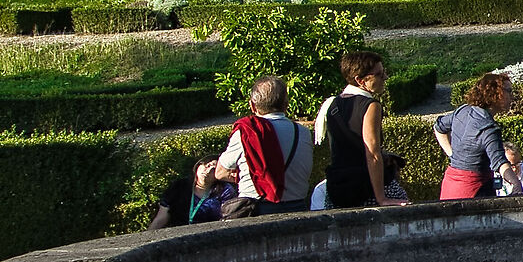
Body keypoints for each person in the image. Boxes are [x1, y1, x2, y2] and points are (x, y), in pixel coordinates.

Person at [435, 72, 523, 199]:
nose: (512, 97)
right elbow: (500, 163)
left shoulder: (462, 111)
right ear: (495, 94)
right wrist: (516, 184)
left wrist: (452, 155)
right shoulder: (488, 128)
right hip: (474, 191)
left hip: (450, 186)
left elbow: (438, 127)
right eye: (509, 91)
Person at [217, 77, 312, 216]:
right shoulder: (303, 133)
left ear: (252, 105)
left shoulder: (246, 133)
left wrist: (254, 175)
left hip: (256, 208)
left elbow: (220, 172)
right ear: (286, 104)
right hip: (297, 206)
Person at [316, 50, 389, 210]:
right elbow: (373, 153)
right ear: (360, 81)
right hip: (364, 187)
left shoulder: (332, 104)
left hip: (336, 188)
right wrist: (381, 198)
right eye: (379, 74)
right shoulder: (371, 105)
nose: (385, 78)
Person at [151, 158, 236, 228]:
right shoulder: (180, 186)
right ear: (198, 166)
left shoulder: (225, 191)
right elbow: (161, 218)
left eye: (214, 170)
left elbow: (228, 220)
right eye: (207, 166)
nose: (208, 171)